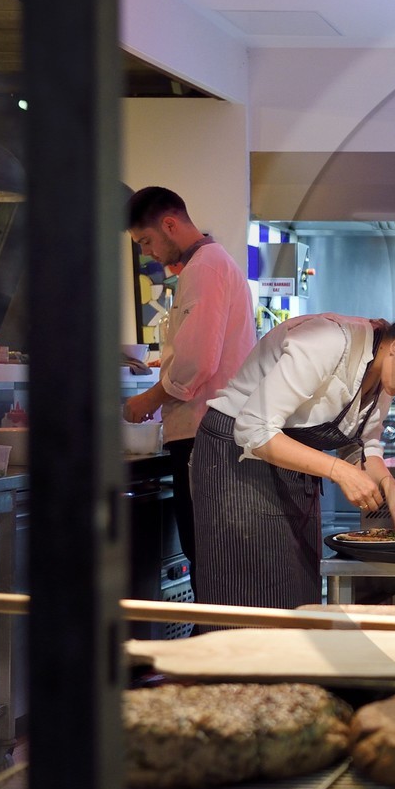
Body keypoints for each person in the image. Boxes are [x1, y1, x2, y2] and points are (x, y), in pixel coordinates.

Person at [190, 296, 395, 610]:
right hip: (235, 463)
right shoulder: (328, 341)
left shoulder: (385, 378)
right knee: (250, 601)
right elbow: (253, 428)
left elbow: (362, 445)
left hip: (289, 472)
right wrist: (337, 470)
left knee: (298, 597)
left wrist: (389, 485)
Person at [122, 186, 258, 577]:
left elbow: (197, 360)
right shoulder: (208, 265)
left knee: (209, 556)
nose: (147, 252)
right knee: (212, 555)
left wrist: (148, 399)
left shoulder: (205, 267)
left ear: (170, 224)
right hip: (213, 433)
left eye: (146, 241)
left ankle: (216, 636)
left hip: (206, 435)